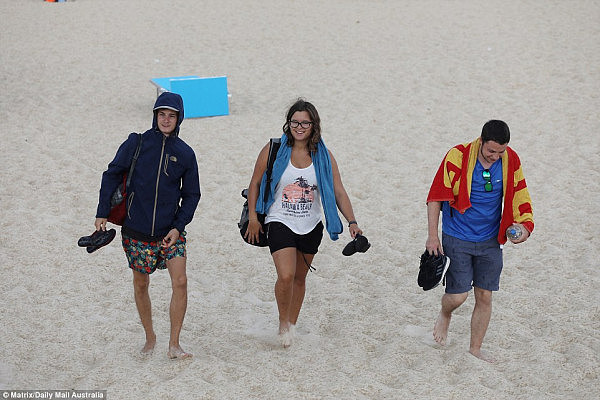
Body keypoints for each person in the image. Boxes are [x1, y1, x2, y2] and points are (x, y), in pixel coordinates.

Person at [245, 99, 364, 348]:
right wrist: (255, 218)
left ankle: (292, 324)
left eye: (305, 123)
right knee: (286, 276)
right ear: (288, 124)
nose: (299, 127)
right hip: (279, 220)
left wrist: (351, 221)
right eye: (295, 122)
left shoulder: (323, 155)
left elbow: (339, 191)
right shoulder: (273, 149)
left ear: (313, 125)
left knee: (300, 279)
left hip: (311, 224)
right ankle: (282, 323)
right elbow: (255, 182)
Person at [94, 92, 201, 359]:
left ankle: (174, 344)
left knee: (181, 281)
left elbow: (192, 195)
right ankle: (150, 337)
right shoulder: (136, 143)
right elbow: (111, 174)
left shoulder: (186, 154)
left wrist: (179, 226)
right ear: (155, 116)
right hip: (136, 231)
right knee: (141, 284)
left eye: (172, 115)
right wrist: (102, 212)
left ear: (179, 118)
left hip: (171, 232)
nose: (166, 119)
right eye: (162, 114)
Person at [425, 120, 534, 363]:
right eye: (491, 151)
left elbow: (521, 195)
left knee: (485, 295)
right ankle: (445, 313)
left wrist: (523, 227)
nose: (496, 156)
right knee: (458, 296)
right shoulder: (458, 156)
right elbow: (436, 196)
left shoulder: (510, 160)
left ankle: (475, 349)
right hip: (457, 236)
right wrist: (432, 236)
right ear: (481, 141)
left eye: (501, 151)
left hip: (490, 240)